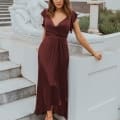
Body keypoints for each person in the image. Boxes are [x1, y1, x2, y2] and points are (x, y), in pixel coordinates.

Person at [34, 0, 102, 120]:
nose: (58, 1)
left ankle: (55, 108)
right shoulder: (46, 13)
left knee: (56, 81)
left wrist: (93, 52)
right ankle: (49, 113)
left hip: (61, 52)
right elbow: (45, 33)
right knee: (48, 80)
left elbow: (80, 37)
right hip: (45, 51)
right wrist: (40, 47)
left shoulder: (72, 15)